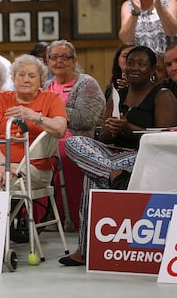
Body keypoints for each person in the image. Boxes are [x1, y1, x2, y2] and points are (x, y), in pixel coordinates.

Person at [60, 46, 177, 266]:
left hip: (143, 156)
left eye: (141, 64)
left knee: (91, 175)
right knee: (74, 142)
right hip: (112, 156)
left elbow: (163, 139)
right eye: (130, 63)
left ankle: (85, 249)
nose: (134, 68)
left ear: (152, 68)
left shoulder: (163, 95)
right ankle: (113, 176)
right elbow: (102, 138)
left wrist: (127, 127)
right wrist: (110, 130)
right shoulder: (118, 93)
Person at [44, 40, 106, 229]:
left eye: (65, 57)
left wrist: (53, 110)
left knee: (62, 154)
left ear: (74, 60)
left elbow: (84, 120)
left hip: (79, 141)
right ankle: (40, 218)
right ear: (47, 61)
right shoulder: (46, 86)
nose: (59, 61)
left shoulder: (86, 83)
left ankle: (74, 219)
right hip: (47, 139)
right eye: (54, 57)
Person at [0, 54, 68, 190]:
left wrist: (36, 117)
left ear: (41, 80)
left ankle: (4, 212)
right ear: (13, 78)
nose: (26, 80)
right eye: (21, 75)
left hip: (34, 167)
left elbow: (60, 129)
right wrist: (3, 164)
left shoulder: (51, 99)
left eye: (32, 76)